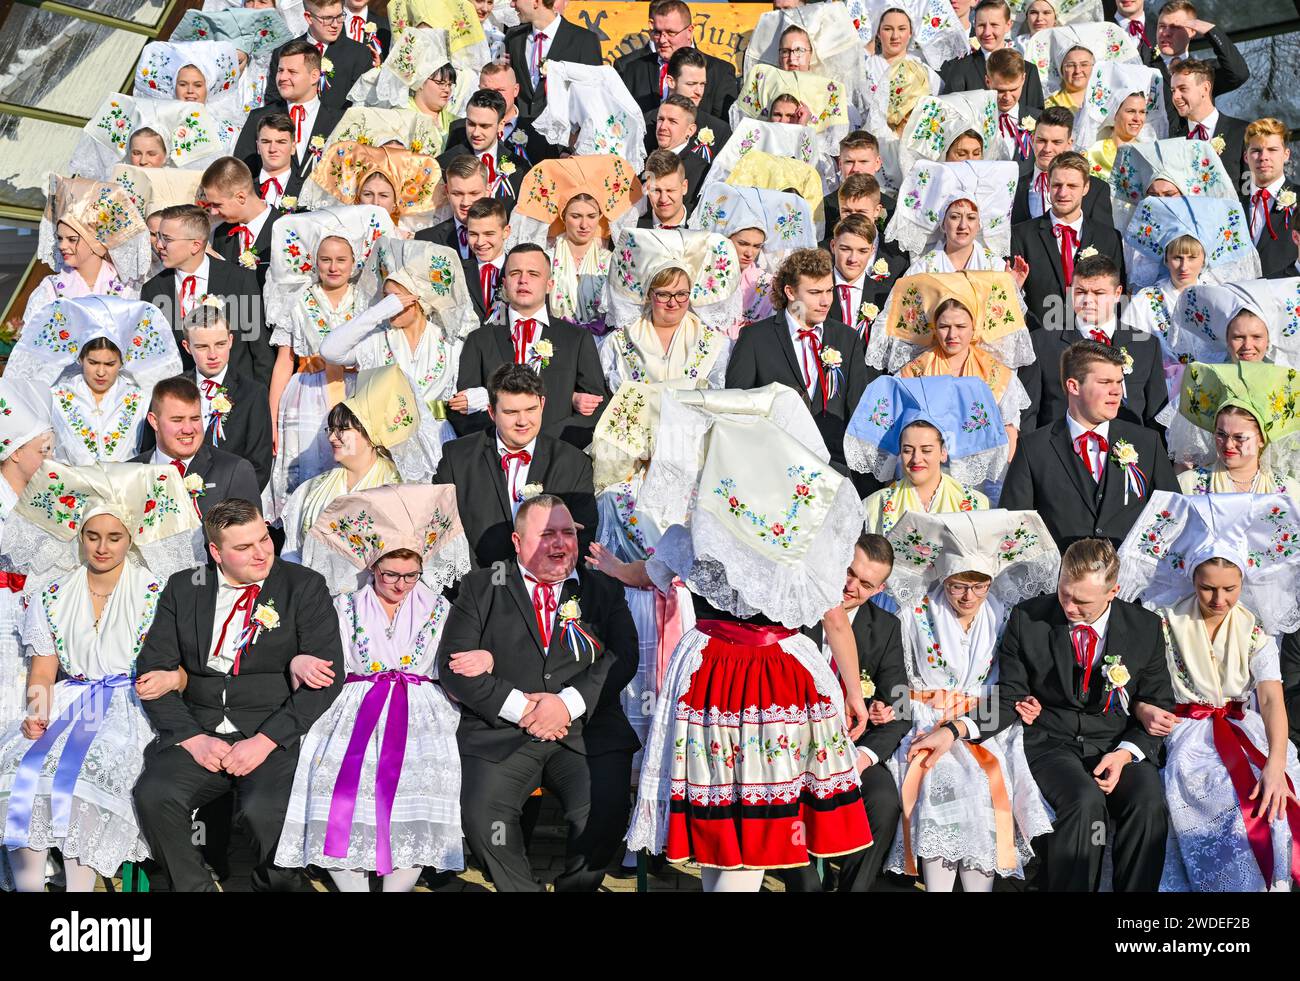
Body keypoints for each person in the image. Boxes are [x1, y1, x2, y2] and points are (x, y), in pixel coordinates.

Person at [625, 388, 873, 890]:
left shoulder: (703, 521)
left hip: (710, 668)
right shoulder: (806, 525)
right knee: (762, 812)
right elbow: (836, 620)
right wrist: (851, 690)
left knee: (717, 804)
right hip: (774, 672)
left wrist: (614, 567)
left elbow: (652, 572)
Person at [0, 462, 204, 892]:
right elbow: (43, 668)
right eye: (93, 537)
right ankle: (29, 886)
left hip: (131, 706)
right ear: (80, 537)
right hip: (71, 700)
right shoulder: (54, 594)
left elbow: (187, 671)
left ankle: (78, 890)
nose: (102, 548)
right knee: (19, 766)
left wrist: (171, 680)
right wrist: (38, 712)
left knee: (87, 774)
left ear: (130, 538)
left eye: (114, 538)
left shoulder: (157, 593)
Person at [133, 498, 344, 892]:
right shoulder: (184, 587)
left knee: (264, 813)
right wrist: (192, 738)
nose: (262, 553)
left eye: (264, 539)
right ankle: (194, 886)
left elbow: (327, 678)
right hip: (199, 729)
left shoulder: (304, 586)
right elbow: (152, 672)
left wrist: (265, 742)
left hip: (270, 732)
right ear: (216, 552)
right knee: (154, 794)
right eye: (244, 548)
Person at [433, 493, 636, 890]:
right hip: (503, 733)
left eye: (566, 533)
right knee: (482, 817)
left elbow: (623, 657)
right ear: (516, 542)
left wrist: (566, 704)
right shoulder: (481, 587)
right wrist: (520, 708)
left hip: (585, 731)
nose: (559, 544)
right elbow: (453, 668)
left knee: (604, 814)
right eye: (545, 534)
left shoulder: (603, 590)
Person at [274, 484, 470, 890]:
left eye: (410, 575)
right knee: (338, 782)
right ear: (372, 567)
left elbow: (457, 657)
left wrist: (480, 658)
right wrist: (299, 660)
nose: (400, 585)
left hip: (419, 708)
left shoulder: (440, 606)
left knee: (417, 785)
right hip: (355, 703)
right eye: (390, 575)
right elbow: (317, 651)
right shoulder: (344, 604)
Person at [1118, 492, 1300, 891]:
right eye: (1207, 589)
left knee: (1277, 792)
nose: (1220, 600)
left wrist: (1275, 762)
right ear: (1192, 578)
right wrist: (1145, 708)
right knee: (1220, 798)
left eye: (1230, 589)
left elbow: (1270, 697)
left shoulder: (1253, 629)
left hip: (1240, 726)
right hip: (1185, 730)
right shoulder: (1164, 622)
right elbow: (1137, 684)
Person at [971, 537, 1174, 891]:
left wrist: (1125, 754)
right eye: (1064, 593)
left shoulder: (1145, 627)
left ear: (1114, 591)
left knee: (1149, 803)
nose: (1070, 606)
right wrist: (960, 728)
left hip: (1116, 740)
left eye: (1082, 601)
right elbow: (1009, 694)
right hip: (1052, 741)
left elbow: (1158, 700)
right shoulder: (1028, 618)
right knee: (1084, 803)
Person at [882, 508, 1058, 890]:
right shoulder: (914, 611)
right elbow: (897, 675)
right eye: (959, 585)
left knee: (981, 794)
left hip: (983, 721)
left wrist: (1028, 702)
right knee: (939, 785)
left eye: (979, 586)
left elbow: (1016, 682)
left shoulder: (1004, 614)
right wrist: (898, 707)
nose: (969, 596)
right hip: (926, 716)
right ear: (944, 579)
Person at [263, 204, 395, 518]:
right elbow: (284, 361)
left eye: (340, 260)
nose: (333, 267)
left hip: (354, 390)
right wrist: (272, 420)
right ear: (315, 262)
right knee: (309, 467)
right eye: (325, 260)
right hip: (307, 392)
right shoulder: (296, 302)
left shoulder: (366, 301)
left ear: (354, 263)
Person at [999, 340, 1177, 550]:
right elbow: (1013, 526)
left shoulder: (1147, 443)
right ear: (1073, 386)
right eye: (1105, 382)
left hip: (1129, 579)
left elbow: (1172, 515)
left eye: (1119, 382)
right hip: (1061, 577)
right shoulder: (1033, 449)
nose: (1116, 391)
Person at [317, 236, 478, 460]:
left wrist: (481, 396)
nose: (390, 306)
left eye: (397, 300)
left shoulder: (449, 341)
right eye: (385, 299)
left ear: (418, 300)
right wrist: (379, 312)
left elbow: (481, 385)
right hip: (385, 441)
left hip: (436, 441)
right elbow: (330, 350)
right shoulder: (376, 340)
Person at [433, 363, 597, 570]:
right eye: (511, 412)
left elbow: (582, 538)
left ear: (542, 404)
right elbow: (440, 531)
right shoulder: (457, 458)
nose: (523, 421)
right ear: (491, 412)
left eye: (531, 409)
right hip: (476, 586)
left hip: (547, 586)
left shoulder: (573, 462)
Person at [726, 247, 871, 477]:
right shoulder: (755, 339)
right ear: (790, 292)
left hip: (834, 469)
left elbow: (857, 410)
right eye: (814, 292)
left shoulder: (847, 338)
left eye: (829, 291)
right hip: (773, 468)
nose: (825, 301)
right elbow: (736, 408)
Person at [453, 243, 607, 446]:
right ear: (505, 282)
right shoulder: (479, 339)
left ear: (550, 284)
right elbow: (463, 409)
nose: (523, 280)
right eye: (516, 273)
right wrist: (500, 440)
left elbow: (596, 408)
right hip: (493, 455)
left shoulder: (576, 339)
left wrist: (550, 444)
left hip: (558, 455)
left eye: (533, 274)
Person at [870, 271, 1032, 457]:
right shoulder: (915, 372)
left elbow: (1009, 429)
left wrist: (1007, 477)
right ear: (934, 328)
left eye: (961, 327)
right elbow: (892, 426)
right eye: (944, 327)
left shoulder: (996, 373)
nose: (952, 335)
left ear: (974, 327)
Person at [7, 295, 180, 466]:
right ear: (80, 359)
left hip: (127, 488)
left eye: (110, 364)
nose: (101, 372)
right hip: (70, 489)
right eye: (93, 362)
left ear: (122, 362)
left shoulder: (140, 398)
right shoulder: (56, 396)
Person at [281, 365, 425, 561]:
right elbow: (291, 552)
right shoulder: (311, 489)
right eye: (330, 429)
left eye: (342, 430)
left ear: (368, 433)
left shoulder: (397, 487)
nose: (332, 437)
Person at [138, 303, 274, 493]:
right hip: (171, 497)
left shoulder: (252, 393)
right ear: (187, 347)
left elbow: (259, 465)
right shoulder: (168, 391)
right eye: (202, 347)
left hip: (229, 505)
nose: (212, 355)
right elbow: (150, 449)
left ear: (231, 340)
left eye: (220, 344)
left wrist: (228, 510)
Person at [1023, 253, 1166, 432]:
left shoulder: (1146, 346)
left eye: (1099, 293)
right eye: (1080, 292)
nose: (1088, 301)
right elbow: (1028, 414)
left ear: (1117, 294)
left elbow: (1155, 417)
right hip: (1060, 451)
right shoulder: (1042, 343)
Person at [846, 375, 1001, 533]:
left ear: (943, 453)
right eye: (907, 450)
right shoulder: (876, 505)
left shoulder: (976, 504)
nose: (916, 459)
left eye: (926, 450)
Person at [140, 203, 274, 384]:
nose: (159, 245)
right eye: (158, 237)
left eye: (167, 239)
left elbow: (261, 351)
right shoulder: (153, 290)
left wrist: (258, 402)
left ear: (195, 245)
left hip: (237, 395)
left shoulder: (239, 280)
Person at [509, 155, 642, 334]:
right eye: (576, 216)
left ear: (600, 217)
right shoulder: (547, 258)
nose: (584, 225)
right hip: (555, 340)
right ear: (563, 217)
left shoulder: (611, 261)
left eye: (591, 216)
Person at [602, 228, 742, 392]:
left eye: (681, 294)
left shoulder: (714, 343)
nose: (673, 303)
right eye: (663, 294)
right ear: (649, 294)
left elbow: (716, 393)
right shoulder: (620, 341)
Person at [1010, 152, 1127, 320]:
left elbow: (1116, 298)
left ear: (1086, 188)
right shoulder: (1021, 235)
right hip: (1040, 337)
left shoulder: (1108, 238)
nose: (1063, 193)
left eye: (1072, 186)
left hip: (1092, 338)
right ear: (1048, 186)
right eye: (1057, 185)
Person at [689, 184, 818, 334]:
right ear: (726, 240)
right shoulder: (700, 275)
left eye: (757, 246)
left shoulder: (767, 283)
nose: (749, 253)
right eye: (743, 244)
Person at [132, 375, 263, 520]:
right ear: (154, 422)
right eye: (177, 420)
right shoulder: (128, 473)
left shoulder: (233, 471)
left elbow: (248, 537)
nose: (188, 429)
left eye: (195, 419)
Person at [0, 380, 54, 731]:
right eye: (43, 450)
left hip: (37, 613)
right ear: (16, 452)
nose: (50, 458)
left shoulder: (47, 499)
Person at [23, 176, 150, 322]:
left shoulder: (125, 289)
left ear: (95, 242)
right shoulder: (50, 289)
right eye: (59, 238)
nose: (62, 246)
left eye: (72, 240)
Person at [1172, 362, 1300, 494]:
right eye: (1221, 434)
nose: (1228, 445)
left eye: (1240, 437)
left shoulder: (1290, 491)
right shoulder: (1187, 484)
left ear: (1261, 439)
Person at [235, 39, 347, 182]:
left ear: (314, 76)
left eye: (292, 72)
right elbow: (240, 172)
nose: (282, 77)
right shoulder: (258, 117)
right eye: (280, 70)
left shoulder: (339, 120)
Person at [888, 159, 1020, 273]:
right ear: (943, 224)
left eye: (971, 218)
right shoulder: (923, 269)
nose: (963, 225)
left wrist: (1014, 286)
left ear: (979, 224)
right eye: (955, 217)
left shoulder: (996, 267)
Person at [614, 0, 739, 119]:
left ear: (689, 31)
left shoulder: (720, 71)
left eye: (670, 32)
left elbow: (726, 127)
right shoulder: (633, 69)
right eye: (657, 32)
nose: (662, 40)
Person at [299, 140, 443, 238]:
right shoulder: (339, 232)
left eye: (384, 195)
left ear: (395, 203)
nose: (375, 202)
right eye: (368, 194)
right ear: (357, 198)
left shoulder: (407, 237)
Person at [1011, 105, 1115, 224]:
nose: (1047, 149)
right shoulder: (1014, 187)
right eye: (1041, 140)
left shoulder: (1096, 189)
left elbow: (1105, 238)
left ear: (1069, 144)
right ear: (1032, 139)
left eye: (1056, 142)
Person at [939, 0, 1045, 113]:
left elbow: (1036, 116)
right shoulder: (960, 68)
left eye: (994, 25)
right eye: (981, 25)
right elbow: (949, 114)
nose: (987, 32)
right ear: (974, 24)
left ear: (1008, 25)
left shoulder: (1028, 70)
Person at [266, 0, 374, 110]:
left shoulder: (359, 53)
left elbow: (360, 105)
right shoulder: (284, 52)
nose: (335, 25)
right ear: (308, 17)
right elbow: (274, 101)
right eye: (327, 18)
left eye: (340, 16)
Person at [504, 0, 603, 118]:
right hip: (521, 132)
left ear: (536, 2)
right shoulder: (513, 37)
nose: (512, 4)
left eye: (516, 0)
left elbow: (594, 95)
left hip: (565, 132)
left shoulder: (584, 40)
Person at [201, 156, 285, 286]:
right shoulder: (219, 232)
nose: (213, 212)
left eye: (217, 205)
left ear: (240, 197)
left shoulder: (284, 230)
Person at [439, 89, 527, 211]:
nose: (476, 132)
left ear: (501, 125)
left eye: (484, 126)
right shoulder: (445, 163)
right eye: (471, 124)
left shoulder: (519, 167)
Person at [1169, 59, 1248, 191]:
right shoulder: (1172, 140)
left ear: (1205, 88)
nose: (1176, 96)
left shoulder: (1242, 132)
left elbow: (1251, 192)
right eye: (1173, 91)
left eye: (1183, 88)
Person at [1078, 64, 1164, 181]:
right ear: (1114, 114)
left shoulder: (1152, 154)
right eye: (1130, 111)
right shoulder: (1093, 153)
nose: (1137, 118)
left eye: (1142, 112)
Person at [1241, 118, 1299, 280]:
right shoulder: (1232, 203)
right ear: (1246, 157)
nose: (1263, 157)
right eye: (1256, 151)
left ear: (1286, 154)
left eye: (1272, 150)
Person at [643, 95, 709, 211]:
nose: (663, 127)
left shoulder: (700, 171)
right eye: (660, 119)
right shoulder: (640, 160)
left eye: (672, 121)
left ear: (690, 130)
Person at [416, 153, 489, 257]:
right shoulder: (425, 240)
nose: (465, 202)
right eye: (457, 194)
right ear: (447, 192)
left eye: (473, 193)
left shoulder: (505, 237)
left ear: (488, 191)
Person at [241, 111, 304, 208]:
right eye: (266, 142)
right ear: (258, 147)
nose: (272, 149)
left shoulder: (306, 189)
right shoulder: (243, 190)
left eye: (281, 142)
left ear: (293, 147)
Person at [638, 149, 692, 231]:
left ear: (684, 187)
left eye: (670, 190)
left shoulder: (703, 226)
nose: (663, 199)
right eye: (656, 190)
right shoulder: (633, 231)